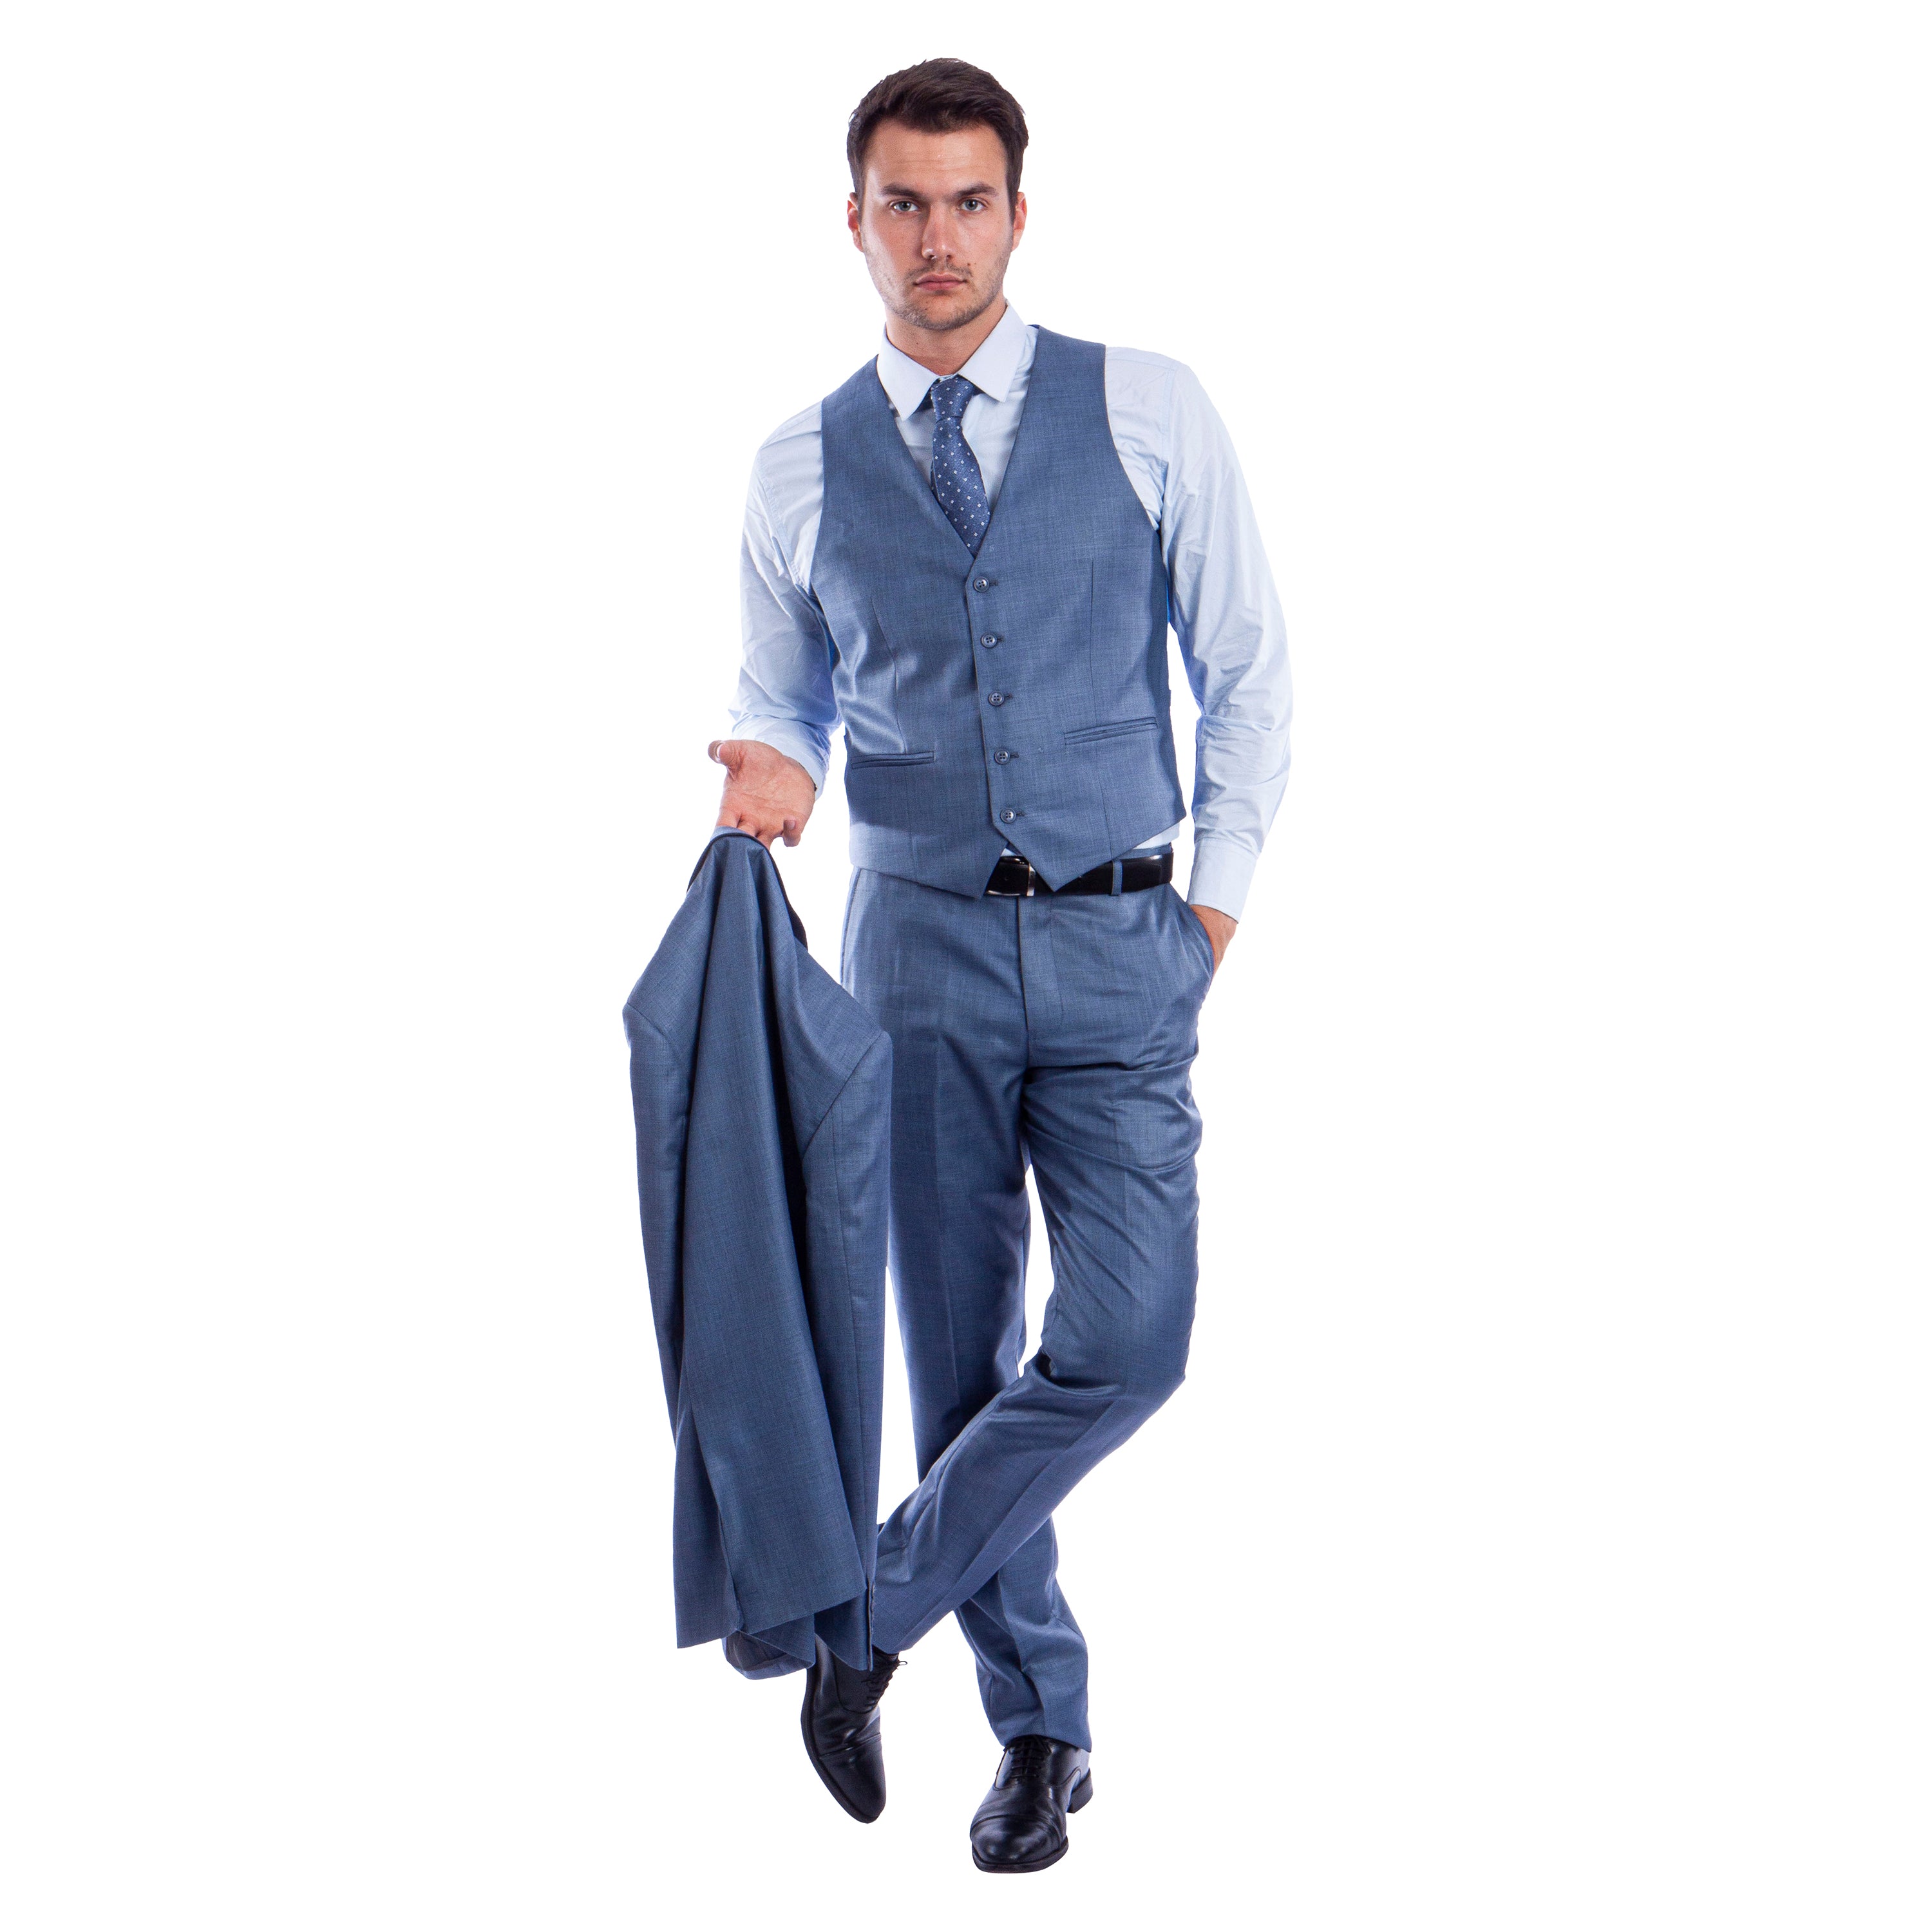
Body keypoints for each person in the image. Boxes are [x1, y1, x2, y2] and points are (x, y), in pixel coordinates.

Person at [710, 57, 1291, 1873]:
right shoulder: (796, 462)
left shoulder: (1151, 408)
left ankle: (865, 1613)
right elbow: (787, 693)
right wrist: (775, 765)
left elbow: (1249, 675)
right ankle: (1044, 1733)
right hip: (913, 957)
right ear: (856, 220)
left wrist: (1205, 918)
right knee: (956, 1365)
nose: (938, 236)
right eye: (904, 202)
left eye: (970, 200)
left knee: (1132, 1339)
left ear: (1019, 214)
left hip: (1128, 940)